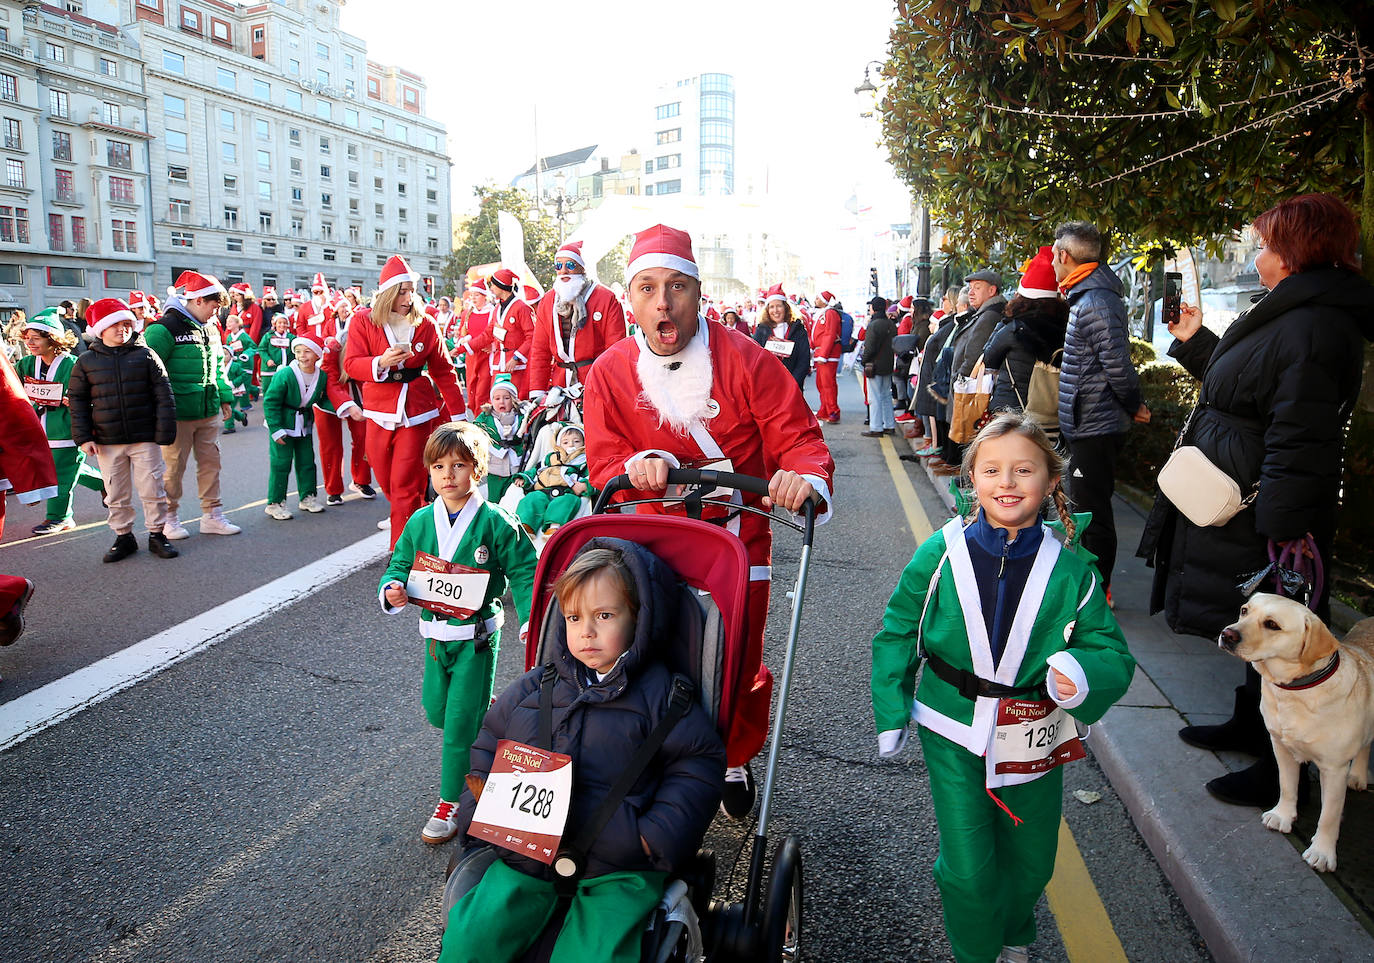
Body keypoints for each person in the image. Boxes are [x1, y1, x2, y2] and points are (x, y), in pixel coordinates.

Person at [582, 224, 834, 819]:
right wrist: (632, 464)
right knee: (646, 647)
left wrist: (804, 478)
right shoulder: (610, 372)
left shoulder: (748, 360)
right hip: (650, 533)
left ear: (698, 293)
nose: (662, 303)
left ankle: (733, 753)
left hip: (740, 529)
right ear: (631, 301)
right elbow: (602, 458)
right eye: (647, 289)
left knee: (737, 655)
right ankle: (650, 750)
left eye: (676, 287)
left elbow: (799, 438)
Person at [871, 412, 1135, 963]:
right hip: (952, 725)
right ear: (971, 480)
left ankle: (1015, 931)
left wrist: (1082, 673)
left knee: (1034, 858)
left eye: (1023, 470)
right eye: (991, 470)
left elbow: (1110, 650)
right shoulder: (939, 554)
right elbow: (898, 628)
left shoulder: (1071, 570)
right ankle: (977, 952)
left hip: (1033, 729)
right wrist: (891, 706)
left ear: (1051, 482)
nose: (1007, 483)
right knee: (967, 867)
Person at [1138, 193, 1374, 807]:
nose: (1260, 256)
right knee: (1253, 627)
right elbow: (1246, 382)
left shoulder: (1315, 322)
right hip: (1246, 498)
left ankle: (1280, 771)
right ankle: (1252, 725)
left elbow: (1302, 433)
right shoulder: (1294, 311)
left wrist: (1281, 529)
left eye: (1267, 245)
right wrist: (1196, 343)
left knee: (1276, 630)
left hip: (1263, 508)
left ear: (1295, 254)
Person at [439, 545, 726, 963]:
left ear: (638, 619)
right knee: (471, 941)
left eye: (604, 616)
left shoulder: (665, 697)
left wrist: (650, 837)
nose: (587, 631)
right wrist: (476, 810)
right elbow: (489, 742)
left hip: (619, 862)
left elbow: (696, 766)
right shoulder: (536, 687)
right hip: (525, 853)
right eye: (574, 618)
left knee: (596, 953)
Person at [378, 422, 537, 844]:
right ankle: (494, 714)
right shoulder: (419, 521)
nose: (448, 475)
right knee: (436, 711)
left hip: (477, 638)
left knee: (455, 728)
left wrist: (530, 616)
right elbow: (399, 564)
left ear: (479, 470)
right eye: (438, 466)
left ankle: (451, 802)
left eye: (459, 465)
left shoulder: (496, 521)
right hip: (435, 638)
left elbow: (525, 570)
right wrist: (392, 588)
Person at [1052, 222, 1150, 595]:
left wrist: (1134, 403)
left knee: (1092, 511)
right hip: (1088, 420)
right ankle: (1091, 584)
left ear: (1064, 256)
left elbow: (1118, 366)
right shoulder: (1086, 294)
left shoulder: (1095, 300)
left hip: (1096, 423)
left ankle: (1099, 589)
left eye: (1054, 255)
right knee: (1085, 505)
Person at [343, 255, 466, 542]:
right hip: (378, 411)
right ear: (387, 293)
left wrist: (460, 418)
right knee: (387, 480)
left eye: (412, 290)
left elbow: (444, 371)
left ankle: (401, 553)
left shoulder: (426, 323)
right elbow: (351, 364)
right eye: (402, 291)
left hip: (417, 412)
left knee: (404, 487)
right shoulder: (363, 321)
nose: (409, 297)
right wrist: (380, 362)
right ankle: (420, 517)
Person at [67, 298, 178, 562]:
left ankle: (157, 534)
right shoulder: (86, 361)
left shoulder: (146, 355)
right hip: (107, 440)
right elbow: (77, 401)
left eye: (126, 323)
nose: (122, 329)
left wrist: (164, 433)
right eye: (115, 325)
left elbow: (164, 395)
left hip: (145, 438)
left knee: (153, 489)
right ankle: (123, 536)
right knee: (115, 492)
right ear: (101, 329)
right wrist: (83, 437)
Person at [144, 272, 241, 539]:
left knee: (211, 465)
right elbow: (148, 374)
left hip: (207, 409)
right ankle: (168, 519)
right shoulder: (161, 329)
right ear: (197, 300)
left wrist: (225, 397)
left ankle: (212, 516)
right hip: (177, 414)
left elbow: (218, 368)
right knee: (173, 469)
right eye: (214, 305)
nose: (217, 311)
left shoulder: (211, 328)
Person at [527, 240, 626, 400]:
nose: (564, 271)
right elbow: (540, 351)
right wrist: (537, 392)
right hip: (559, 387)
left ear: (582, 267)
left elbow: (615, 351)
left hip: (595, 382)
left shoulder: (606, 298)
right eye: (558, 266)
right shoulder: (548, 300)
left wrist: (611, 388)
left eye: (570, 265)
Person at [15, 310, 84, 534]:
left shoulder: (73, 364)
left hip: (65, 429)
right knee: (64, 468)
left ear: (52, 339)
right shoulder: (25, 363)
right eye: (27, 337)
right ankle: (103, 483)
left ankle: (60, 517)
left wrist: (74, 401)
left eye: (36, 337)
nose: (30, 342)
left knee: (61, 474)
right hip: (36, 428)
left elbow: (89, 395)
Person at [982, 247, 1068, 417]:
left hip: (1011, 410)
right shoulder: (1065, 328)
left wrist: (1004, 321)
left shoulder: (1013, 328)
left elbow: (989, 358)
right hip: (1051, 412)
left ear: (1021, 298)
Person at [263, 335, 329, 520]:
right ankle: (275, 503)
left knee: (307, 461)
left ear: (317, 354)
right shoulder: (285, 374)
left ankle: (307, 497)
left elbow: (324, 399)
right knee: (281, 464)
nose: (302, 356)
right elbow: (270, 401)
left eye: (307, 351)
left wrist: (346, 409)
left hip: (304, 424)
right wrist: (275, 428)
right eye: (298, 351)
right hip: (282, 424)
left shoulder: (321, 375)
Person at [317, 325, 376, 507]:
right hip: (326, 401)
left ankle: (361, 480)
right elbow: (332, 383)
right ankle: (333, 489)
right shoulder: (332, 351)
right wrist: (349, 406)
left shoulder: (366, 348)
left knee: (364, 439)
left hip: (356, 395)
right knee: (331, 445)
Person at [512, 423, 595, 539]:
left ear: (584, 443)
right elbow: (535, 470)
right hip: (543, 489)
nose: (571, 444)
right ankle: (526, 526)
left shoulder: (584, 461)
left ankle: (554, 526)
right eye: (565, 442)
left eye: (576, 441)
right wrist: (524, 478)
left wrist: (584, 486)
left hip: (567, 491)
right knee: (531, 499)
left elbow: (593, 478)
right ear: (559, 445)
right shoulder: (550, 458)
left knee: (567, 502)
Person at [463, 268, 534, 398]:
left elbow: (532, 337)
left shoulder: (521, 308)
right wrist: (463, 348)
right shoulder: (497, 309)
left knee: (515, 402)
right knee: (496, 402)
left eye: (493, 285)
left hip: (515, 366)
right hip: (498, 364)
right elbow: (487, 335)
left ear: (502, 287)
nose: (491, 288)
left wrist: (516, 358)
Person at [913, 288, 960, 458]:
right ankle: (935, 444)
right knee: (933, 415)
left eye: (946, 298)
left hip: (939, 376)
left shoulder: (952, 324)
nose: (943, 301)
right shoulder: (948, 323)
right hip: (933, 375)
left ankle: (937, 446)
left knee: (937, 415)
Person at [473, 377, 525, 505]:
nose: (501, 402)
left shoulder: (522, 415)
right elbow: (475, 430)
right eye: (497, 398)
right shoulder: (486, 417)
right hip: (495, 465)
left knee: (513, 498)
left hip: (516, 464)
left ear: (513, 399)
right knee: (494, 498)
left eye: (506, 398)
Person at [751, 284, 812, 391]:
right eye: (772, 307)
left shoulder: (798, 329)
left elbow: (804, 359)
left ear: (785, 307)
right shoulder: (761, 330)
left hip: (793, 387)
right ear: (767, 310)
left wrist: (793, 383)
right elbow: (754, 359)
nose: (775, 310)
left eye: (779, 306)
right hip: (768, 388)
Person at [859, 296, 897, 437]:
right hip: (888, 364)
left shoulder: (874, 325)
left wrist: (864, 361)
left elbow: (869, 348)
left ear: (874, 308)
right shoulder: (890, 324)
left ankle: (876, 427)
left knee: (874, 397)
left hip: (874, 365)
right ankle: (889, 425)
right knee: (887, 395)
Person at [809, 291, 845, 424]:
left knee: (828, 384)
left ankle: (833, 410)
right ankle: (825, 409)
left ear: (824, 300)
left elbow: (830, 334)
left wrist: (823, 354)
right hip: (821, 354)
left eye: (818, 298)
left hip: (827, 355)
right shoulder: (823, 313)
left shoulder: (830, 313)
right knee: (821, 384)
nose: (815, 300)